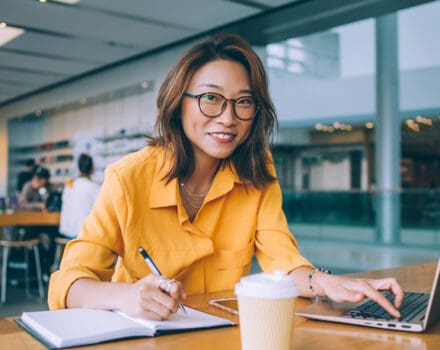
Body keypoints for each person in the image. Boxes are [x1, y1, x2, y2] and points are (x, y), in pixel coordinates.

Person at [48, 34, 404, 321]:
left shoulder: (257, 170)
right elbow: (68, 282)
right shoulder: (128, 177)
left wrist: (326, 283)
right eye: (211, 98)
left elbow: (282, 260)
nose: (227, 118)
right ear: (179, 102)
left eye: (243, 102)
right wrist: (126, 295)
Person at [59, 153, 101, 238]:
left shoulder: (70, 185)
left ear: (78, 168)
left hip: (68, 233)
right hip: (84, 234)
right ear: (92, 169)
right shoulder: (94, 187)